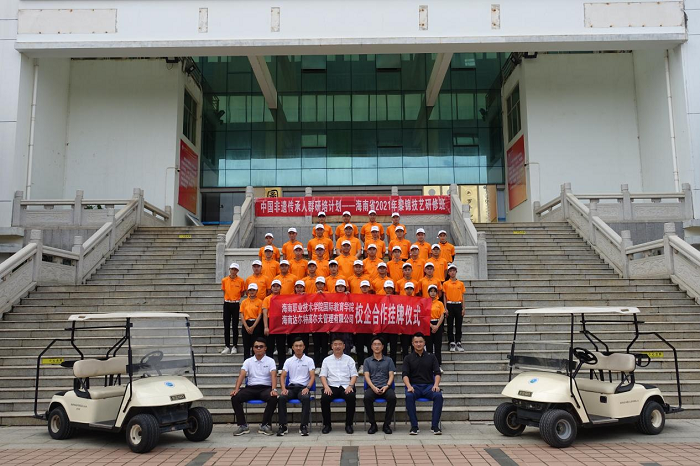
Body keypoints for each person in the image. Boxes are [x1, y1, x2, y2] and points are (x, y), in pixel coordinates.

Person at [230, 337, 278, 436]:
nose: (258, 348)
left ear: (265, 348)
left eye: (261, 346)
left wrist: (274, 389)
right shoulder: (248, 361)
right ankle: (243, 425)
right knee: (235, 397)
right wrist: (236, 389)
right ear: (253, 348)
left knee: (273, 398)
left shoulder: (270, 361)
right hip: (251, 388)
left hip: (265, 388)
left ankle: (265, 425)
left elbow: (273, 375)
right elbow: (242, 374)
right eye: (256, 347)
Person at [402, 332, 443, 435]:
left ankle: (435, 426)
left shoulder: (431, 357)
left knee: (438, 396)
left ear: (424, 343)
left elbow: (437, 373)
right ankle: (414, 426)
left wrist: (436, 385)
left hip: (429, 387)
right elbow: (405, 375)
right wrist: (409, 386)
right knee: (409, 396)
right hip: (414, 387)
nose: (418, 344)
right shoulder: (408, 358)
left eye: (420, 342)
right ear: (412, 343)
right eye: (416, 342)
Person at [278, 336, 315, 437]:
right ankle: (283, 425)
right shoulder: (288, 361)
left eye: (300, 346)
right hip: (291, 388)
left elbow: (312, 376)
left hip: (303, 388)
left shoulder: (309, 360)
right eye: (296, 346)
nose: (298, 348)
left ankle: (303, 426)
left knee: (306, 398)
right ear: (293, 347)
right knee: (281, 398)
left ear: (304, 347)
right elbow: (282, 376)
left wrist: (308, 388)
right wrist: (283, 389)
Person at [320, 337, 358, 434]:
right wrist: (326, 387)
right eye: (335, 344)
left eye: (340, 344)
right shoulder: (326, 360)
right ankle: (327, 425)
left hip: (346, 385)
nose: (338, 346)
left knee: (351, 397)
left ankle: (349, 425)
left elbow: (354, 375)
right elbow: (323, 375)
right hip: (332, 386)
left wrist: (350, 386)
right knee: (325, 398)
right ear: (332, 346)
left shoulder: (349, 359)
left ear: (344, 346)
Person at [363, 336, 397, 435]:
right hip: (372, 387)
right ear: (371, 347)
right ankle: (373, 424)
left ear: (382, 347)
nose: (377, 346)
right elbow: (366, 376)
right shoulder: (367, 361)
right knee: (367, 398)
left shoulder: (389, 360)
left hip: (385, 386)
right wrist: (373, 387)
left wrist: (387, 386)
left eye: (379, 344)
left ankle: (386, 424)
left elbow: (391, 375)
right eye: (375, 344)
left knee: (392, 398)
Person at [262, 279, 287, 369]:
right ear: (271, 288)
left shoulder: (284, 298)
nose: (276, 288)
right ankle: (270, 367)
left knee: (281, 346)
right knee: (270, 346)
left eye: (277, 286)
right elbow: (265, 313)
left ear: (280, 288)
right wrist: (266, 327)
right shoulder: (267, 299)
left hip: (280, 322)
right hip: (270, 322)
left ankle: (281, 367)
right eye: (274, 286)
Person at [221, 262, 245, 355]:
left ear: (237, 271)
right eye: (232, 269)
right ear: (229, 269)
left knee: (235, 326)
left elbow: (242, 293)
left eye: (235, 269)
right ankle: (227, 346)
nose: (233, 271)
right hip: (227, 304)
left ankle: (234, 346)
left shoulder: (241, 281)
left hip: (235, 304)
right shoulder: (224, 280)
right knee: (226, 325)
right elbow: (224, 290)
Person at [443, 264, 466, 353]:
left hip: (458, 304)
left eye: (454, 271)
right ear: (448, 273)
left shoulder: (460, 283)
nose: (452, 272)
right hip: (450, 304)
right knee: (450, 324)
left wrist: (463, 308)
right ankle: (451, 342)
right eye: (450, 271)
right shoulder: (446, 283)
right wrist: (445, 308)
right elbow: (444, 296)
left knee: (458, 324)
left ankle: (458, 341)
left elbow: (462, 296)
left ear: (456, 272)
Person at [240, 283, 264, 359]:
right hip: (246, 323)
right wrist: (246, 326)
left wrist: (253, 326)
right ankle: (246, 363)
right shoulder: (244, 302)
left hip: (256, 324)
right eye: (250, 290)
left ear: (257, 291)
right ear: (248, 291)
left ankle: (255, 361)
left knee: (256, 345)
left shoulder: (260, 302)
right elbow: (241, 314)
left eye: (253, 290)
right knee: (246, 346)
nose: (252, 292)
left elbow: (260, 315)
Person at [425, 285, 446, 369]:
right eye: (431, 291)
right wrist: (431, 326)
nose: (433, 293)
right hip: (428, 324)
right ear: (428, 293)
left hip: (438, 323)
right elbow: (424, 316)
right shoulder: (425, 303)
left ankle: (438, 365)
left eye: (434, 291)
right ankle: (430, 365)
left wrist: (437, 326)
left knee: (438, 346)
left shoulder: (440, 303)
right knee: (429, 346)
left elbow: (442, 315)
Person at [355, 280, 373, 374]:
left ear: (369, 288)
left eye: (366, 287)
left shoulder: (373, 298)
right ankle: (361, 365)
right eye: (363, 287)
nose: (365, 288)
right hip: (359, 326)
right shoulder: (356, 298)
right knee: (360, 348)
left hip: (370, 327)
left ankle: (370, 365)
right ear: (360, 288)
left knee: (370, 347)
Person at [379, 280, 399, 364]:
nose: (389, 290)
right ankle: (384, 365)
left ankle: (392, 366)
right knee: (383, 348)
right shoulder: (380, 299)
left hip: (394, 327)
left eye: (390, 288)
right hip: (383, 327)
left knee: (393, 348)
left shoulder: (398, 299)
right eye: (387, 288)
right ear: (384, 289)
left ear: (393, 289)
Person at [400, 283, 416, 356]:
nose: (409, 290)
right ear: (405, 290)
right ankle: (405, 361)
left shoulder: (416, 300)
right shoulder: (401, 300)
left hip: (413, 325)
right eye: (407, 289)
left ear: (413, 290)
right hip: (404, 326)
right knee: (405, 346)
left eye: (411, 289)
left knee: (414, 346)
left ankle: (414, 361)